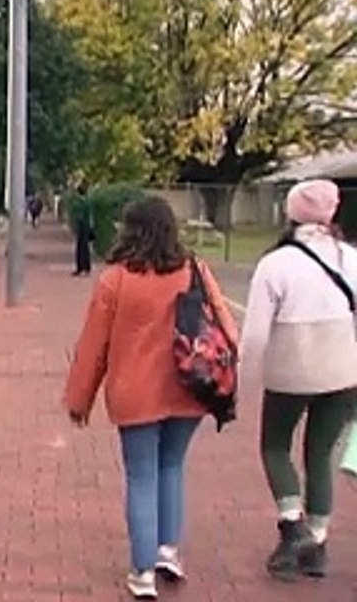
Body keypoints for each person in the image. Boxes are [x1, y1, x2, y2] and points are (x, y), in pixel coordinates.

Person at [63, 196, 239, 600]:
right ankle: (167, 551)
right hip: (189, 386)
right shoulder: (195, 269)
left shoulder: (116, 279)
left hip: (135, 392)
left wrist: (79, 400)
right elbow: (227, 328)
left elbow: (94, 347)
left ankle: (142, 571)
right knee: (172, 466)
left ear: (129, 230)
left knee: (141, 475)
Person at [241, 179, 357, 581]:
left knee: (275, 445)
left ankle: (292, 523)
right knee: (320, 454)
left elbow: (255, 334)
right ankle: (317, 541)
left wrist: (245, 382)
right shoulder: (350, 258)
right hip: (343, 370)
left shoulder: (275, 264)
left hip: (290, 371)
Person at [71, 184, 94, 275]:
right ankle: (86, 267)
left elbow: (77, 215)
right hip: (86, 226)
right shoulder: (87, 202)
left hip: (81, 226)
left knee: (80, 247)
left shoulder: (78, 203)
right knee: (85, 247)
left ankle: (80, 267)